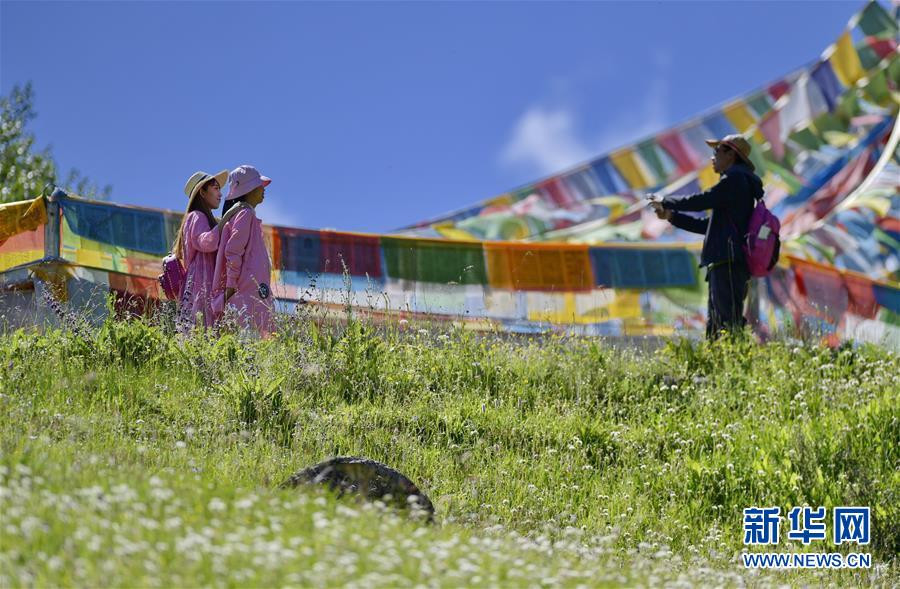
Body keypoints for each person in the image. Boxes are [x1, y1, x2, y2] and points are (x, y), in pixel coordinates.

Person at [651, 134, 763, 339]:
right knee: (719, 322)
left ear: (731, 154)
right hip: (726, 260)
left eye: (716, 151)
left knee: (726, 322)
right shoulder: (738, 184)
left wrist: (666, 201)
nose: (712, 157)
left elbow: (702, 200)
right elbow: (707, 226)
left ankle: (733, 365)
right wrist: (671, 216)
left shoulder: (735, 180)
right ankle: (720, 366)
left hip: (727, 260)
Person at [212, 165, 275, 335]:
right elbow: (233, 250)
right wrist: (231, 285)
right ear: (248, 189)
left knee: (253, 335)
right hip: (245, 289)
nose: (263, 189)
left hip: (250, 288)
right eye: (258, 185)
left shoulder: (246, 213)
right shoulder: (245, 213)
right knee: (248, 337)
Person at [172, 169, 229, 328]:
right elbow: (206, 243)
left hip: (199, 284)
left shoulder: (198, 217)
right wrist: (225, 222)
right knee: (203, 329)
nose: (220, 193)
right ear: (202, 192)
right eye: (216, 188)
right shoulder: (197, 216)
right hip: (201, 283)